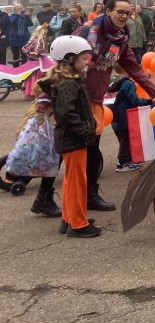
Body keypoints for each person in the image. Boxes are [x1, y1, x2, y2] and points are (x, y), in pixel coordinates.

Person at [77, 0, 155, 212]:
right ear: (107, 11)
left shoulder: (120, 39)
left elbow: (134, 69)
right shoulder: (87, 32)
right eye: (120, 12)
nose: (124, 16)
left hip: (95, 99)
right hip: (76, 97)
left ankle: (89, 195)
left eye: (128, 13)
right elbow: (65, 61)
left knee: (90, 147)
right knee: (69, 148)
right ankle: (48, 196)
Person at [37, 36, 102, 237]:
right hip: (73, 140)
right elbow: (66, 114)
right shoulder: (68, 84)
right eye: (83, 59)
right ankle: (78, 224)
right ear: (70, 59)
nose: (87, 62)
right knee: (76, 182)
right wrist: (86, 130)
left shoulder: (71, 80)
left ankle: (69, 217)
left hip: (71, 139)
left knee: (71, 180)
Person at [108, 65, 152, 172]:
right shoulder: (128, 84)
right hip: (125, 116)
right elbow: (135, 100)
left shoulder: (114, 81)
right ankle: (122, 163)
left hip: (114, 115)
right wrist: (149, 101)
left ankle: (129, 159)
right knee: (126, 140)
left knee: (123, 138)